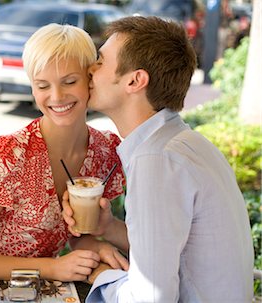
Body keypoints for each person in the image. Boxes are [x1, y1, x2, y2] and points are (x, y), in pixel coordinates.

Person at [62, 16, 254, 302]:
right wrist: (109, 229)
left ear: (135, 80)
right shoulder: (185, 143)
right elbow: (178, 249)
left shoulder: (156, 160)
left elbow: (152, 297)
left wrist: (100, 275)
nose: (90, 69)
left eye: (101, 61)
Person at [0, 23, 128, 286]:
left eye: (70, 81)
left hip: (33, 290)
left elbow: (73, 231)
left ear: (91, 79)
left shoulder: (104, 152)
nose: (57, 96)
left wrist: (95, 245)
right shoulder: (11, 154)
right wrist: (52, 268)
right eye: (42, 85)